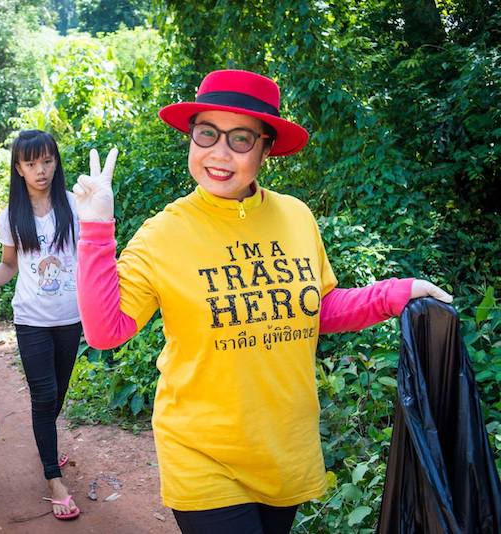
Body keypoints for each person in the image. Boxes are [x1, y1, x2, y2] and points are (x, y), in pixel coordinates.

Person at [72, 70, 453, 534]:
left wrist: (395, 293)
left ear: (266, 148)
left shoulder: (295, 216)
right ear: (191, 137)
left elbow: (316, 310)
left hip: (283, 449)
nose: (219, 152)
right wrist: (95, 231)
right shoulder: (162, 234)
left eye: (240, 139)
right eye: (207, 133)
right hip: (203, 455)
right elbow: (105, 331)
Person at [0, 130, 82, 521]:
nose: (41, 170)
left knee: (59, 394)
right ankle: (54, 479)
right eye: (32, 163)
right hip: (31, 318)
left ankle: (47, 446)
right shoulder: (12, 217)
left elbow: (95, 255)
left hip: (71, 318)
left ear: (56, 162)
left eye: (48, 161)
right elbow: (9, 264)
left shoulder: (73, 206)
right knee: (43, 395)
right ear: (18, 168)